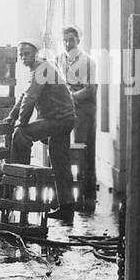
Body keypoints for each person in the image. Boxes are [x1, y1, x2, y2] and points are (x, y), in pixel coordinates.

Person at [6, 41, 77, 221]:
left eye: (27, 53)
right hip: (64, 119)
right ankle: (67, 208)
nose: (24, 57)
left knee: (20, 135)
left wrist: (20, 124)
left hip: (58, 120)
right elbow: (25, 95)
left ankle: (19, 182)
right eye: (21, 54)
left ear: (36, 54)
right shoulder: (39, 69)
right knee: (60, 162)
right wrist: (12, 116)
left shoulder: (43, 68)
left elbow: (30, 98)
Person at [56, 25, 97, 202]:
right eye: (64, 40)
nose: (67, 43)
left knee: (81, 149)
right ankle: (65, 193)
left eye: (71, 40)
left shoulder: (88, 61)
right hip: (65, 108)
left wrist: (70, 97)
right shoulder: (59, 59)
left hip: (83, 108)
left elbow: (90, 90)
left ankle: (85, 195)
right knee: (62, 147)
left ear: (78, 40)